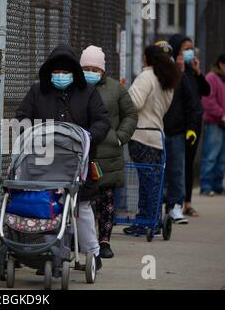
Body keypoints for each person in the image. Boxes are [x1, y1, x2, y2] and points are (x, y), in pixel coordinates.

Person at [16, 44, 111, 270]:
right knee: (48, 206)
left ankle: (92, 253)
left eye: (65, 72)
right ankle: (53, 253)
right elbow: (22, 117)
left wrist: (89, 136)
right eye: (56, 73)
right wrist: (32, 133)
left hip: (79, 160)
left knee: (82, 207)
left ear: (73, 73)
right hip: (44, 161)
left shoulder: (87, 92)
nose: (60, 76)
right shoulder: (38, 91)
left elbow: (102, 120)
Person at [80, 45, 137, 258]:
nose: (90, 72)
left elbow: (130, 114)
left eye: (95, 69)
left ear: (103, 70)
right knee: (81, 202)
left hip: (108, 153)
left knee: (106, 199)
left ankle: (104, 241)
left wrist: (120, 137)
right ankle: (81, 241)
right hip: (81, 153)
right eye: (85, 68)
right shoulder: (75, 89)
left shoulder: (116, 89)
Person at [124, 45, 182, 235]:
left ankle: (146, 221)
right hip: (157, 136)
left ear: (147, 59)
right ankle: (152, 219)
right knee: (153, 180)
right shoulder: (166, 80)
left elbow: (134, 102)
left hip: (141, 135)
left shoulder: (146, 77)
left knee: (145, 180)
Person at [153, 39, 197, 225]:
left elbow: (192, 104)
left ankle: (175, 206)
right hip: (154, 132)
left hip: (176, 132)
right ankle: (154, 208)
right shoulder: (149, 78)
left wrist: (192, 128)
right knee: (156, 171)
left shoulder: (180, 77)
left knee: (177, 170)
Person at [168, 35, 211, 216]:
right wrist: (179, 70)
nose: (190, 52)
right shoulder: (175, 72)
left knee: (188, 162)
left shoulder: (193, 72)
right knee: (177, 164)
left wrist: (198, 71)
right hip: (178, 125)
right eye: (186, 48)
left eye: (191, 48)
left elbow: (206, 91)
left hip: (193, 124)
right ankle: (174, 202)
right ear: (177, 51)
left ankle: (187, 202)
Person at [200, 53, 225, 196]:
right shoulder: (211, 78)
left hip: (222, 123)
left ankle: (217, 185)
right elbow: (208, 101)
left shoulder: (222, 79)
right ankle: (206, 186)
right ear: (221, 64)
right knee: (211, 156)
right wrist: (221, 114)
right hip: (214, 123)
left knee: (221, 158)